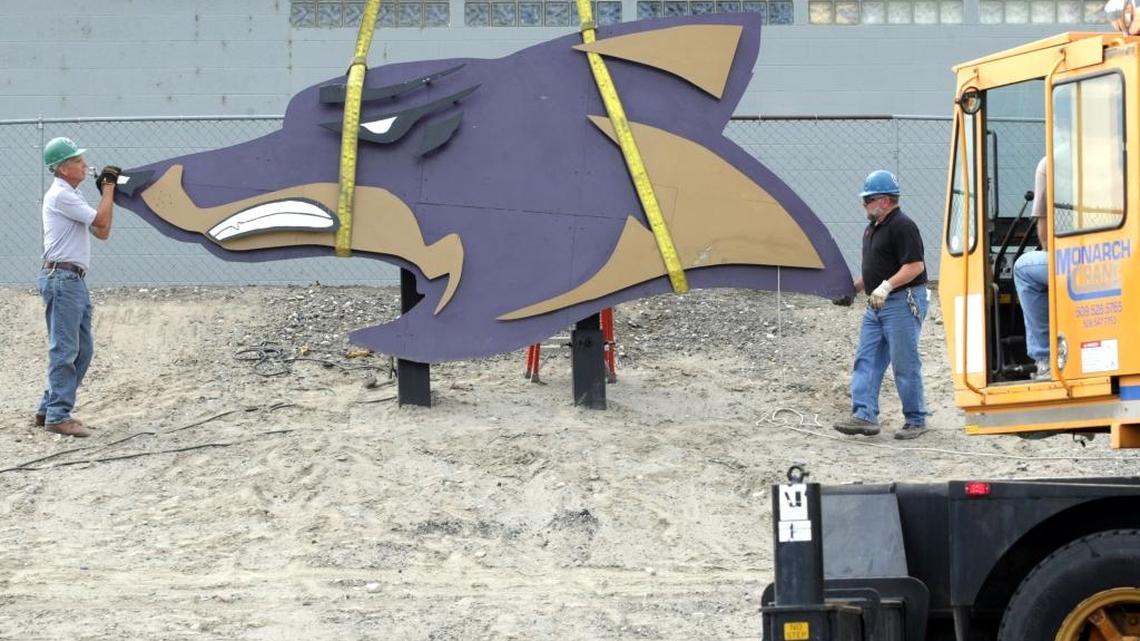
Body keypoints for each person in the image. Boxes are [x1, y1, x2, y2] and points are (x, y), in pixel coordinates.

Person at [834, 170, 930, 440]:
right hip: (878, 303)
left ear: (885, 200)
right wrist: (852, 290)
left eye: (868, 199)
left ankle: (916, 419)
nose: (864, 204)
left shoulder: (903, 226)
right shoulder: (873, 229)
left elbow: (914, 266)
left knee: (904, 362)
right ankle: (864, 415)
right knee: (866, 359)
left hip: (902, 302)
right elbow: (876, 269)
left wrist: (887, 287)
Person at [36, 137, 119, 437]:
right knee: (67, 348)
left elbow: (102, 230)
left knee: (82, 350)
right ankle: (58, 414)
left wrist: (106, 195)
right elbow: (101, 221)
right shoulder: (62, 195)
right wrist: (108, 190)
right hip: (63, 280)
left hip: (72, 280)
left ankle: (48, 408)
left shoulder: (72, 195)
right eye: (77, 161)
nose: (84, 165)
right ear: (63, 168)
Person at [1012, 155, 1051, 380]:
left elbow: (1044, 230)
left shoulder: (1050, 163)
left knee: (1023, 268)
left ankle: (1044, 358)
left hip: (1078, 260)